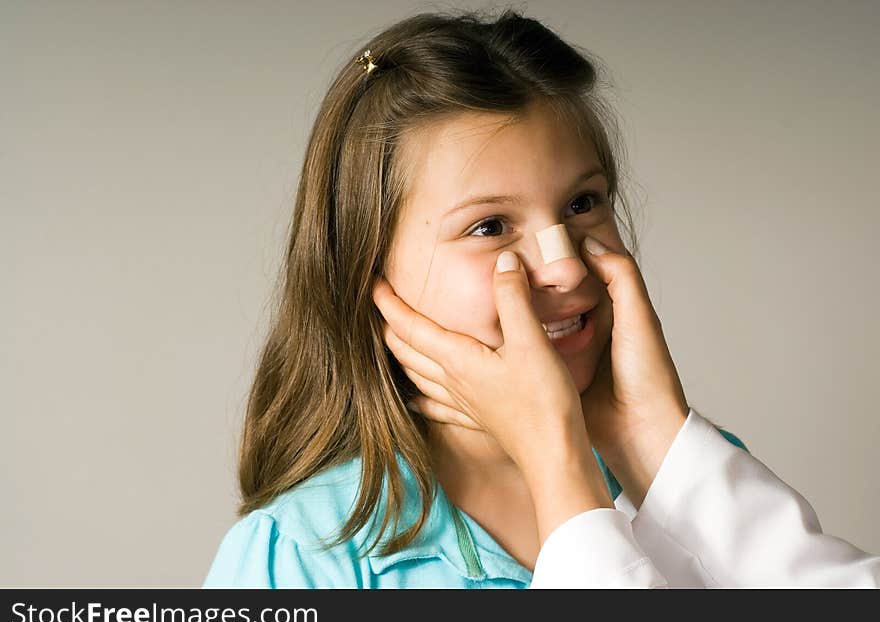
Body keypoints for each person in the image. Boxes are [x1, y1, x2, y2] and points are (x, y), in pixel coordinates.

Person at [203, 8, 879, 588]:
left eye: (583, 203)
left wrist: (623, 451)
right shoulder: (303, 555)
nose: (562, 268)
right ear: (364, 269)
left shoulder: (687, 477)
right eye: (489, 225)